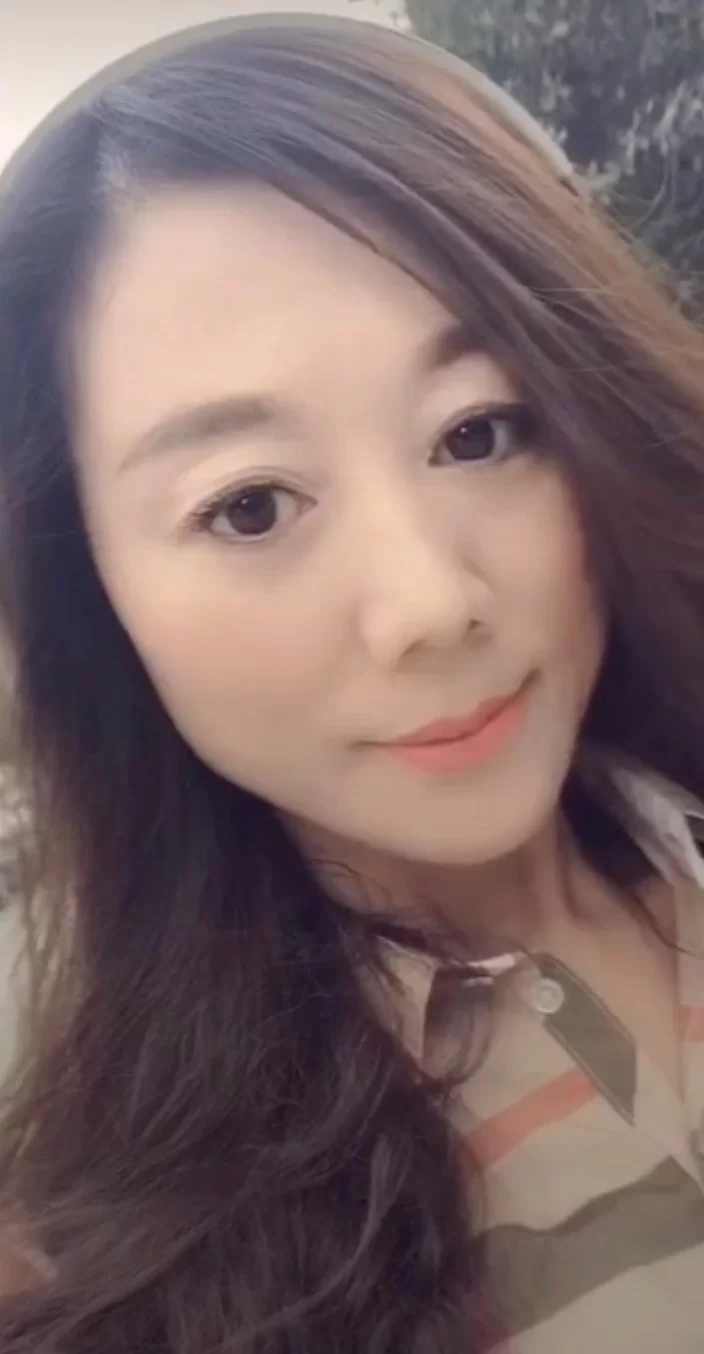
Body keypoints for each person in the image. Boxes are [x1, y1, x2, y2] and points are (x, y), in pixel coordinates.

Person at [0, 12, 704, 1352]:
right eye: (251, 506)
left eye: (479, 431)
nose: (429, 604)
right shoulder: (104, 1243)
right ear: (88, 586)